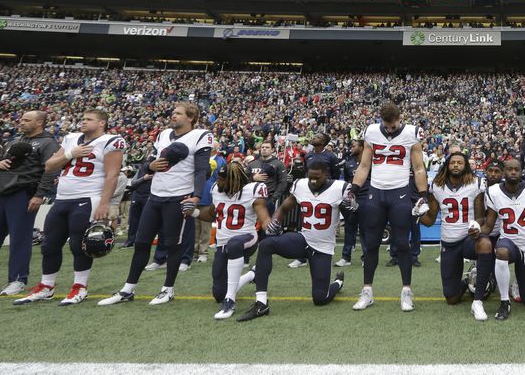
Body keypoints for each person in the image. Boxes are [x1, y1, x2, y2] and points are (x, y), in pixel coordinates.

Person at [98, 102, 212, 306]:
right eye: (173, 112)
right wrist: (149, 166)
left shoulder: (201, 136)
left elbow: (201, 170)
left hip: (178, 197)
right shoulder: (163, 134)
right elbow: (148, 163)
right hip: (155, 195)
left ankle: (168, 290)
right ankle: (128, 289)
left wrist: (195, 196)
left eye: (178, 113)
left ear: (191, 118)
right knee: (141, 242)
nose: (173, 115)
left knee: (173, 245)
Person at [15, 110, 125, 306]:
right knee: (49, 245)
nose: (83, 121)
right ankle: (46, 286)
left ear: (102, 123)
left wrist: (104, 202)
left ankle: (79, 287)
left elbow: (112, 175)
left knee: (79, 245)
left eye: (88, 119)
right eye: (82, 118)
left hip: (88, 197)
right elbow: (49, 166)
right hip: (62, 198)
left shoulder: (111, 141)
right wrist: (69, 154)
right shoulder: (71, 138)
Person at [236, 157, 347, 322]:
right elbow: (285, 207)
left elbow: (354, 214)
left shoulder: (340, 188)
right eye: (311, 177)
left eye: (318, 177)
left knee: (320, 298)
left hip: (322, 248)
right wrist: (275, 221)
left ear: (327, 175)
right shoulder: (301, 185)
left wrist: (354, 207)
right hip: (303, 240)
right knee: (266, 244)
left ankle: (337, 283)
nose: (313, 181)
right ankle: (261, 303)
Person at [346, 102, 429, 312]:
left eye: (393, 126)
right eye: (387, 125)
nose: (390, 130)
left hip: (400, 192)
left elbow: (418, 168)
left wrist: (423, 195)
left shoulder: (412, 133)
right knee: (371, 243)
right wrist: (354, 188)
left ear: (400, 118)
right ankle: (367, 291)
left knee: (402, 243)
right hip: (375, 191)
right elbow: (364, 165)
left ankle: (406, 292)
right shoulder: (372, 132)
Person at [0, 110, 59, 296]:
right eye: (21, 120)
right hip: (1, 192)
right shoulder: (14, 141)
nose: (21, 123)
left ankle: (17, 280)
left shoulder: (48, 142)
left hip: (23, 193)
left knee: (20, 238)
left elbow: (50, 170)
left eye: (27, 120)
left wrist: (39, 195)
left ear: (40, 122)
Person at [419, 146, 491, 321]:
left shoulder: (475, 183)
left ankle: (480, 297)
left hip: (469, 238)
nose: (456, 165)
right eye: (453, 162)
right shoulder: (437, 186)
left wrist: (476, 226)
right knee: (451, 298)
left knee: (485, 244)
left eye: (460, 162)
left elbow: (481, 216)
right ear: (447, 165)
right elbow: (429, 221)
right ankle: (468, 282)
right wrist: (417, 214)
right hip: (449, 243)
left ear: (466, 165)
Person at [194, 160, 271, 319]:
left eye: (223, 180)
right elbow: (211, 215)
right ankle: (251, 275)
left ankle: (230, 302)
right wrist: (193, 213)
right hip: (223, 244)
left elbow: (263, 218)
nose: (218, 182)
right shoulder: (217, 189)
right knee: (218, 294)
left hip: (247, 239)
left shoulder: (253, 190)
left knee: (234, 244)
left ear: (234, 181)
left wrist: (270, 227)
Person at [478, 158, 525, 321]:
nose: (513, 172)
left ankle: (517, 282)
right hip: (508, 242)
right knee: (501, 251)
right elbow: (490, 224)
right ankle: (504, 301)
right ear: (504, 172)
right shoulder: (493, 192)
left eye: (516, 169)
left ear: (522, 172)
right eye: (509, 169)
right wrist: (476, 233)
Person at [336, 138, 364, 267]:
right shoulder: (348, 164)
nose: (351, 148)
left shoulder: (370, 163)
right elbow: (348, 183)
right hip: (353, 201)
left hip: (366, 200)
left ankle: (366, 257)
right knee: (349, 227)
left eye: (354, 146)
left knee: (365, 229)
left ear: (362, 148)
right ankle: (346, 257)